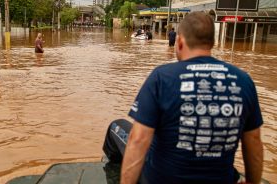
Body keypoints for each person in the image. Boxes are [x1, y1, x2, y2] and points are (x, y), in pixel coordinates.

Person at [103, 12, 263, 184]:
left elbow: (139, 139)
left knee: (116, 127)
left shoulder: (162, 77)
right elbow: (253, 141)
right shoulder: (243, 80)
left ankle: (110, 168)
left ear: (179, 42)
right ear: (212, 43)